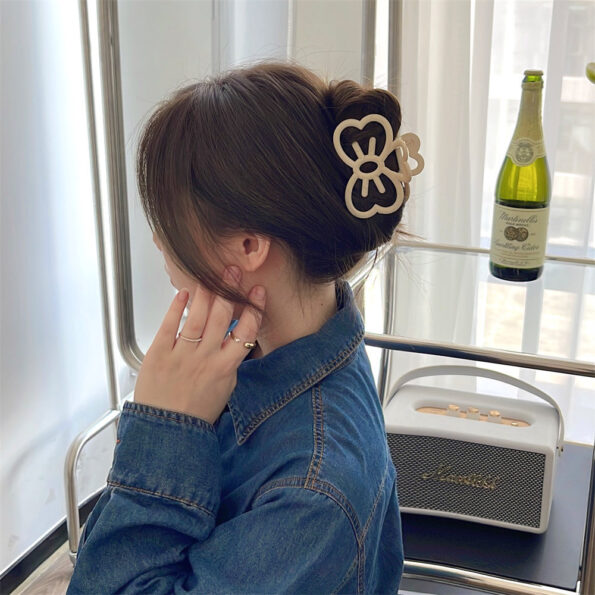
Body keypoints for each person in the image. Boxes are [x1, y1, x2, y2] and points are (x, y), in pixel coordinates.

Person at [67, 62, 423, 594]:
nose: (160, 242)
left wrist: (164, 431)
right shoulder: (297, 335)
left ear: (249, 247)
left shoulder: (311, 494)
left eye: (168, 222)